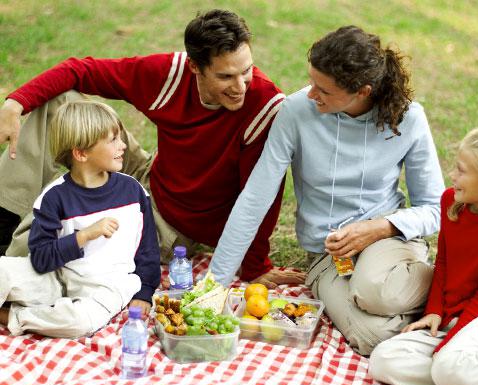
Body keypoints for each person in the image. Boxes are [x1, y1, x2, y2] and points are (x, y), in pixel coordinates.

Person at [0, 9, 303, 287]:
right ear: (194, 67)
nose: (240, 85)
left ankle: (14, 261)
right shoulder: (169, 75)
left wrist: (254, 267)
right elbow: (80, 70)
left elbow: (262, 196)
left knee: (60, 238)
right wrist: (15, 103)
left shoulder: (264, 106)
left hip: (171, 222)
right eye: (225, 76)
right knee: (59, 100)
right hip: (150, 173)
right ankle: (5, 215)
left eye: (246, 70)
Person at [210, 25, 445, 354]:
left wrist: (380, 227)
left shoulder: (408, 119)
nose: (310, 94)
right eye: (311, 82)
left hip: (387, 239)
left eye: (323, 90)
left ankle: (446, 288)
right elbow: (254, 198)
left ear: (362, 91)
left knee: (374, 291)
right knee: (370, 338)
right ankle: (425, 314)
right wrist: (215, 283)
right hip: (328, 255)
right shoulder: (295, 112)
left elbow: (436, 209)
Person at [369, 125, 478, 385]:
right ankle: (469, 380)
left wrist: (446, 346)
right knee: (384, 359)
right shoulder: (451, 201)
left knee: (448, 364)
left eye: (462, 170)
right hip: (456, 320)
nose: (452, 175)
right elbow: (444, 263)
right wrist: (434, 311)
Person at [0, 100, 161, 338]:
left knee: (79, 322)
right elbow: (41, 259)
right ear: (81, 153)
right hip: (57, 276)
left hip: (109, 286)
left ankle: (12, 316)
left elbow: (148, 251)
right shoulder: (54, 197)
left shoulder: (133, 192)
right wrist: (84, 236)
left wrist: (144, 292)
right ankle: (41, 307)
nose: (123, 145)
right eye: (113, 140)